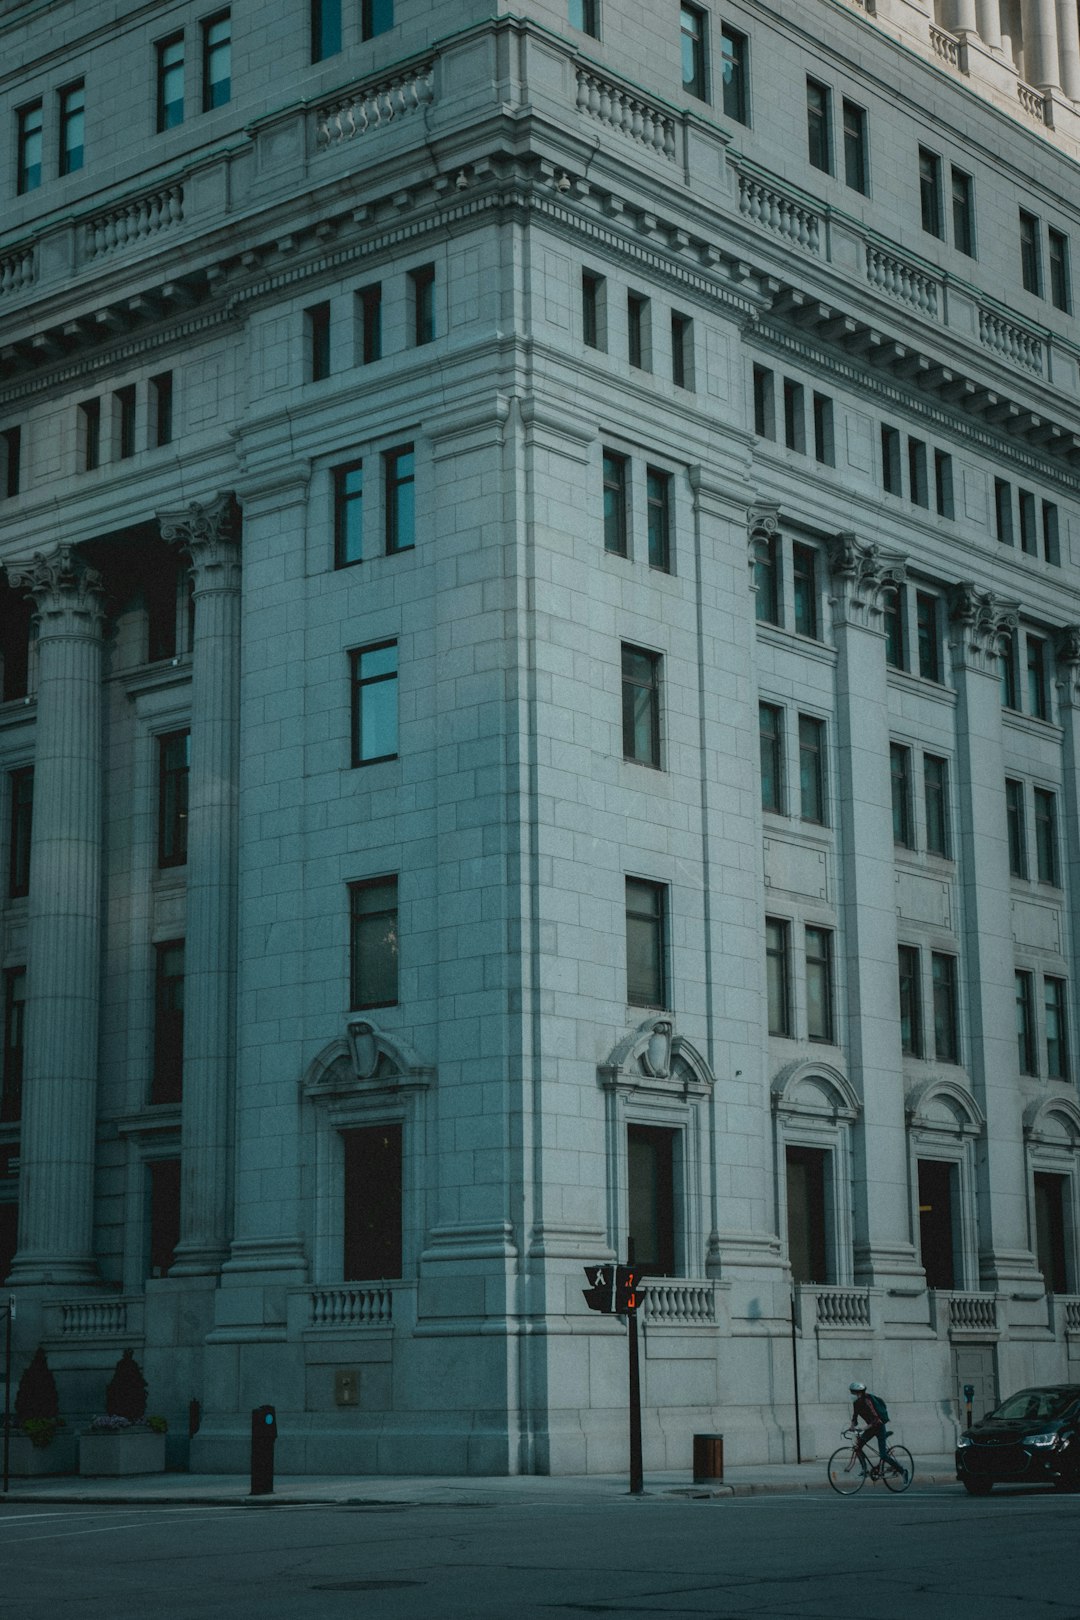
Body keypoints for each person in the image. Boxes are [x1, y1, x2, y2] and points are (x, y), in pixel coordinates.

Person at [849, 1381, 905, 1478]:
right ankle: (864, 1470)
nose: (853, 1395)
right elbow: (855, 1416)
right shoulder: (856, 1403)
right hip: (871, 1428)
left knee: (883, 1455)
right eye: (852, 1392)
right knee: (858, 1448)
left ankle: (902, 1471)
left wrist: (864, 1428)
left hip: (879, 1428)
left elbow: (876, 1419)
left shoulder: (867, 1401)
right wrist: (852, 1426)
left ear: (860, 1393)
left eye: (855, 1393)